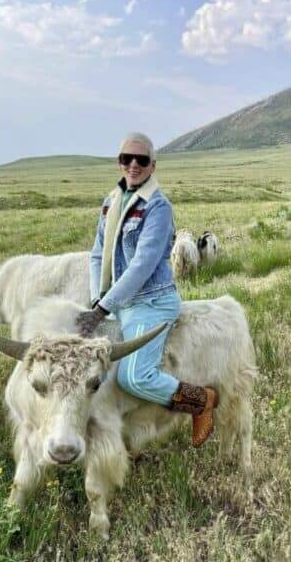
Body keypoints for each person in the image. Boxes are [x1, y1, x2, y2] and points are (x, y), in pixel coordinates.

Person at [77, 132, 219, 447]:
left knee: (134, 377)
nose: (133, 165)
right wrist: (95, 300)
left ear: (153, 166)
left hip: (150, 303)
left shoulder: (158, 207)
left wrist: (101, 310)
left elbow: (142, 265)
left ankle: (201, 401)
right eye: (127, 158)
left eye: (141, 160)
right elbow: (98, 253)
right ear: (119, 162)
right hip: (119, 302)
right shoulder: (111, 202)